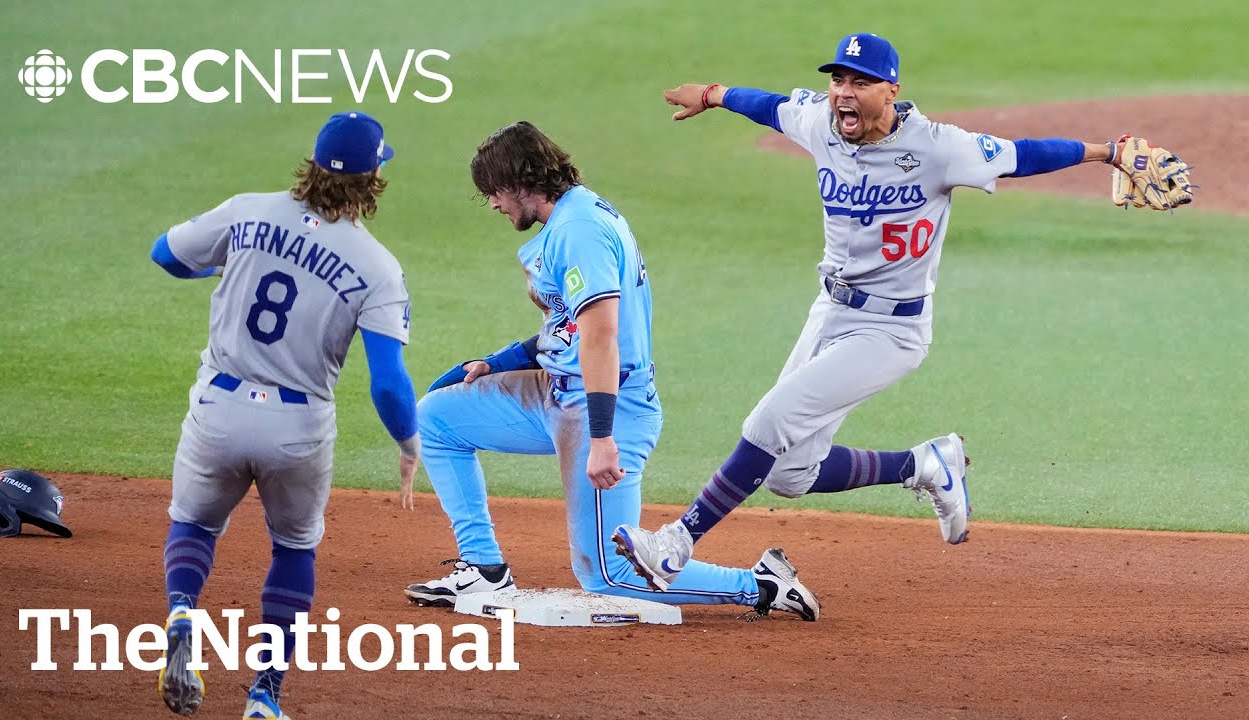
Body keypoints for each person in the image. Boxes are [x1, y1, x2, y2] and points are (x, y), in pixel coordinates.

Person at [611, 32, 1195, 592]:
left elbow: (1022, 155)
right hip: (830, 311)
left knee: (770, 422)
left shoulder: (938, 148)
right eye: (838, 80)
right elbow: (769, 106)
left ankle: (676, 542)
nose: (844, 93)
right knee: (789, 474)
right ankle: (926, 464)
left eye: (860, 83)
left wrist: (1108, 152)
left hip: (890, 330)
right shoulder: (820, 122)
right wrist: (713, 95)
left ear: (891, 90)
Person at [403, 121, 818, 621]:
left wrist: (601, 438)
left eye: (493, 190)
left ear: (520, 181)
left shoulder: (579, 232)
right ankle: (483, 567)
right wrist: (498, 362)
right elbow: (570, 328)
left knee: (608, 574)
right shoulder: (570, 218)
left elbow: (601, 337)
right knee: (439, 418)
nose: (492, 203)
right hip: (555, 393)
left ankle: (760, 585)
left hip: (606, 407)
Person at [151, 111, 420, 720]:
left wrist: (223, 264)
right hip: (297, 428)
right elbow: (388, 383)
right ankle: (264, 694)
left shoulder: (247, 210)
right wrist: (408, 443)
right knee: (294, 548)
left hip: (219, 407)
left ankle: (182, 612)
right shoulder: (378, 266)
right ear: (373, 178)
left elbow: (165, 254)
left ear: (314, 163)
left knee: (194, 524)